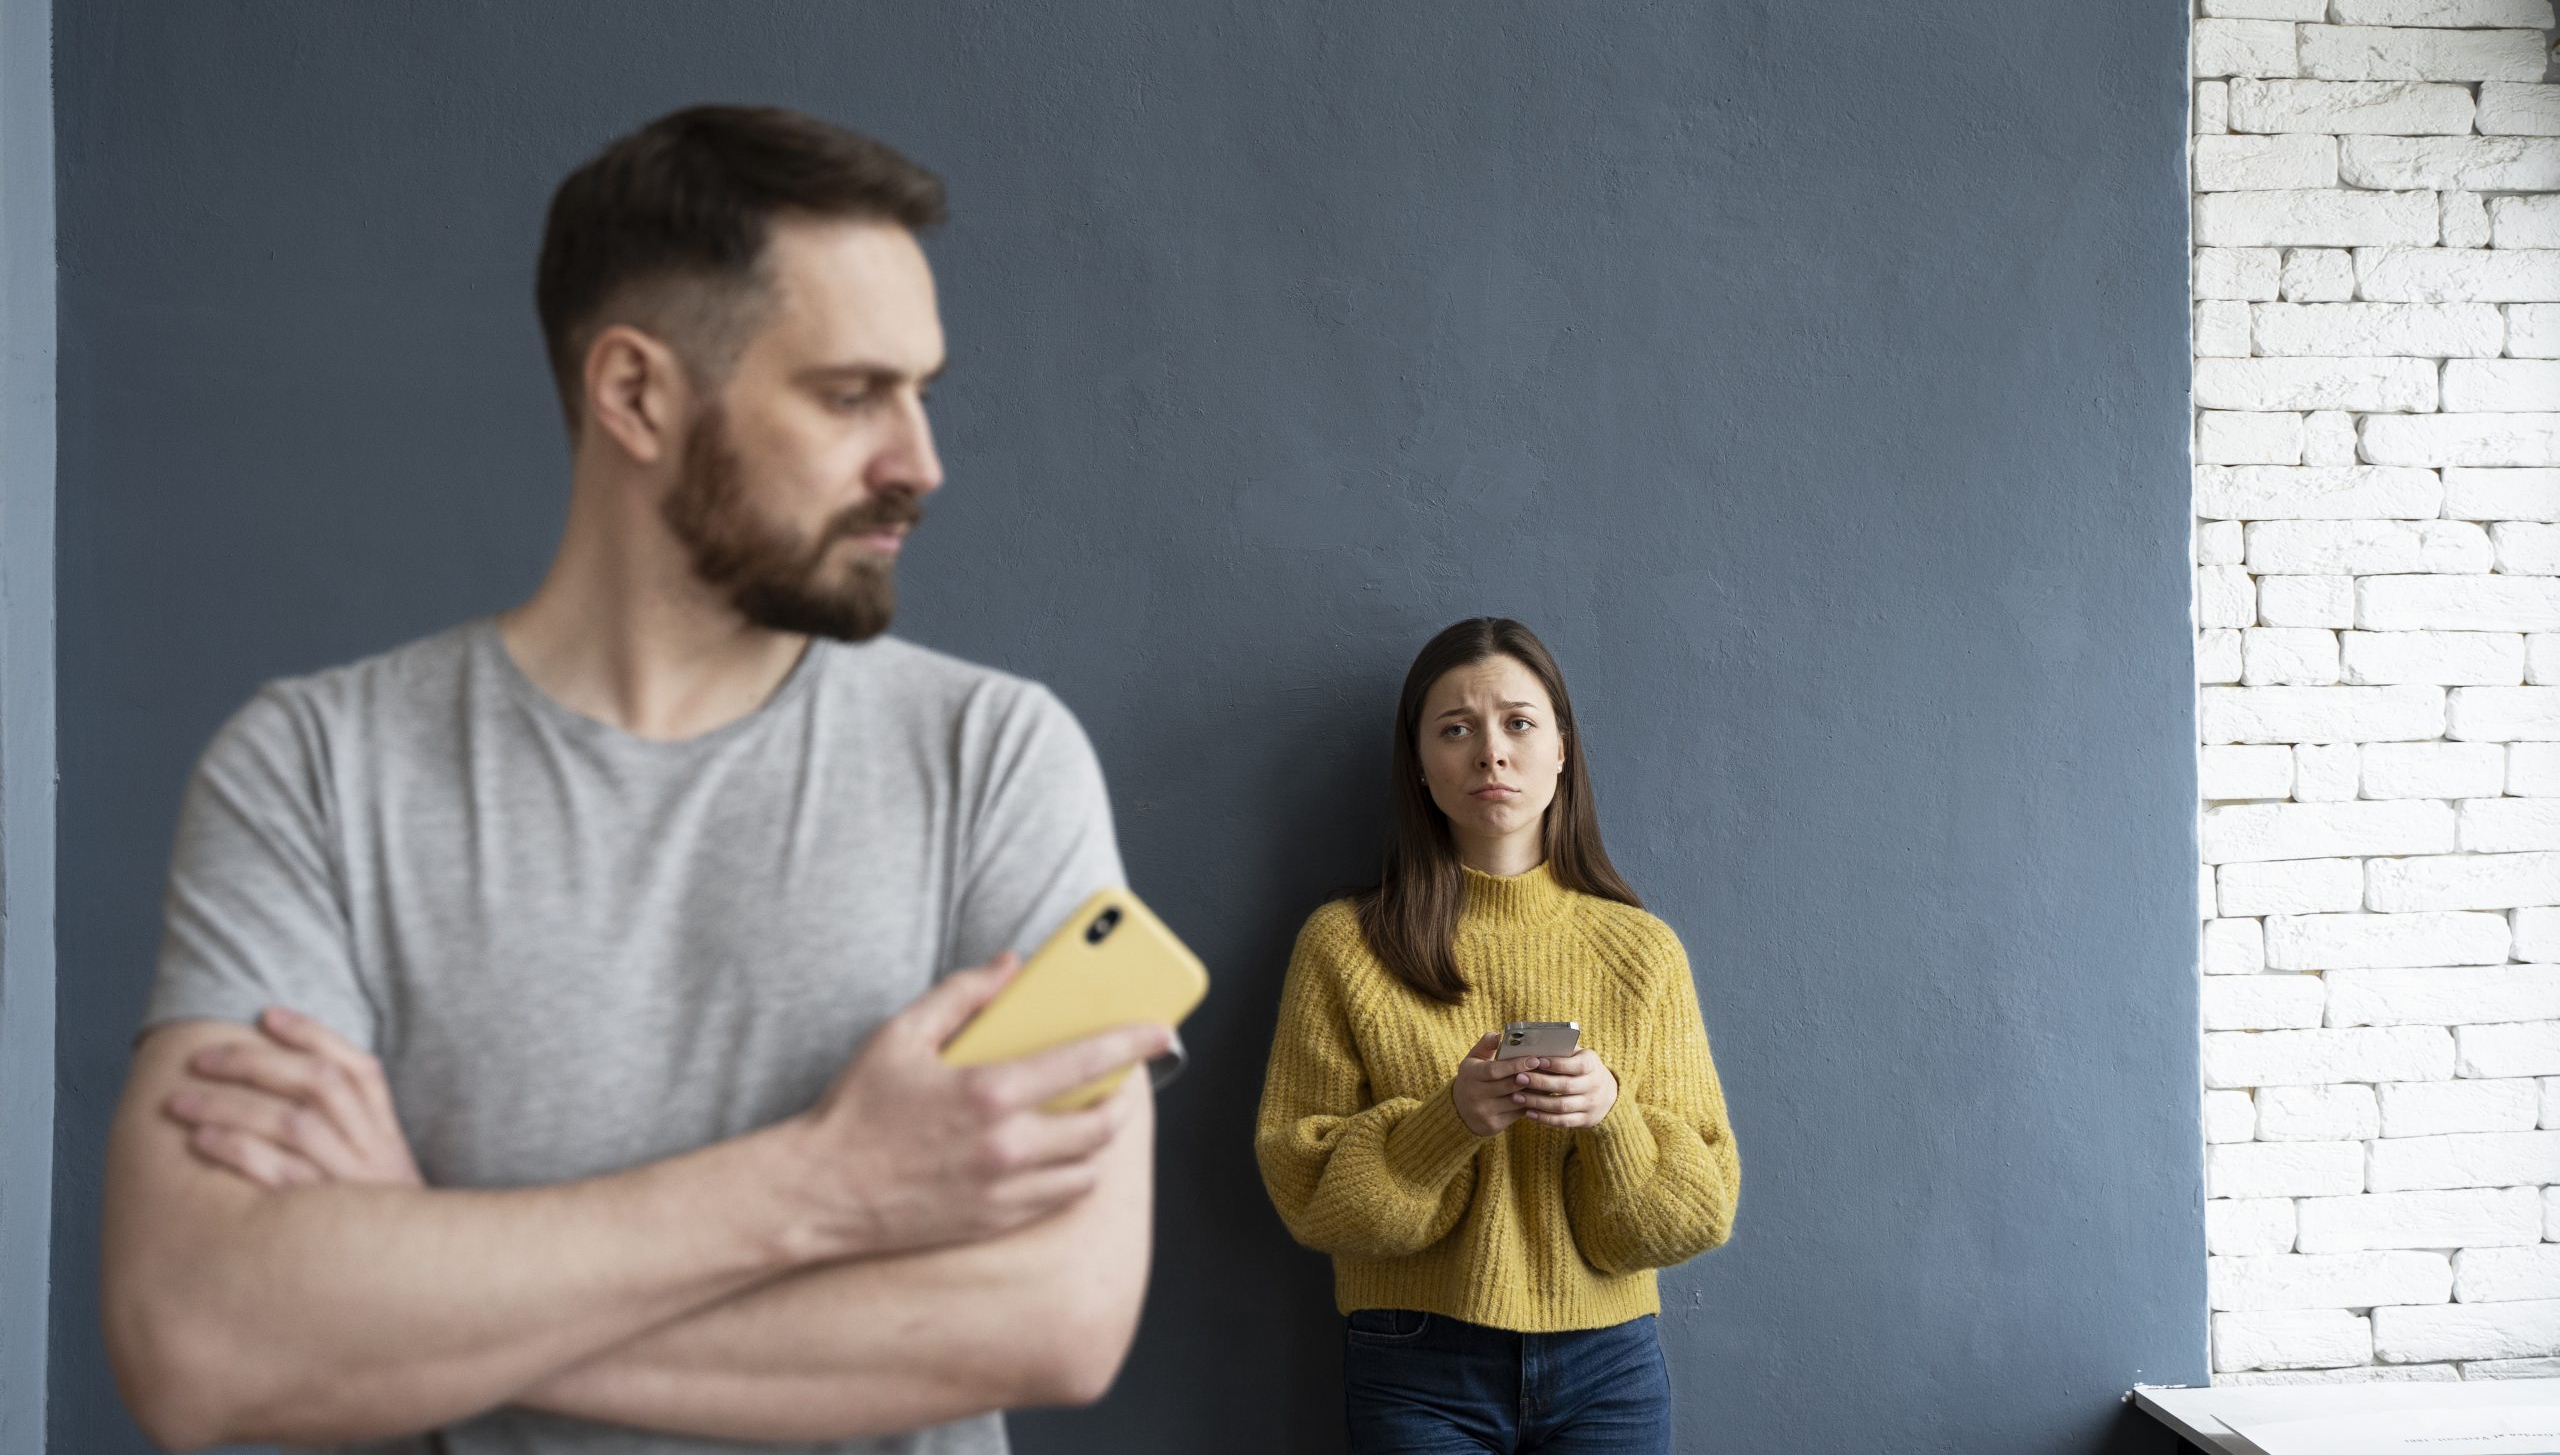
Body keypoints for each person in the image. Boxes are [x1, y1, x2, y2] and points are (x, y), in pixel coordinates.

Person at [98, 105, 1173, 1455]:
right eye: (851, 394)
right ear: (637, 393)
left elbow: (1057, 1315)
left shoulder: (1000, 759)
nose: (921, 463)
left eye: (923, 389)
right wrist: (829, 1183)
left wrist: (422, 1269)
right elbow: (198, 1339)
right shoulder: (312, 769)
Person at [1255, 617, 1739, 1454]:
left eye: (1518, 722)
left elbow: (1698, 1212)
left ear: (1561, 749)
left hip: (1608, 1365)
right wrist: (1451, 1120)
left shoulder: (1642, 951)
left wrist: (1610, 1114)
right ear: (1419, 762)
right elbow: (1306, 1188)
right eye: (1456, 728)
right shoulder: (1344, 945)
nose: (1490, 752)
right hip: (1415, 1361)